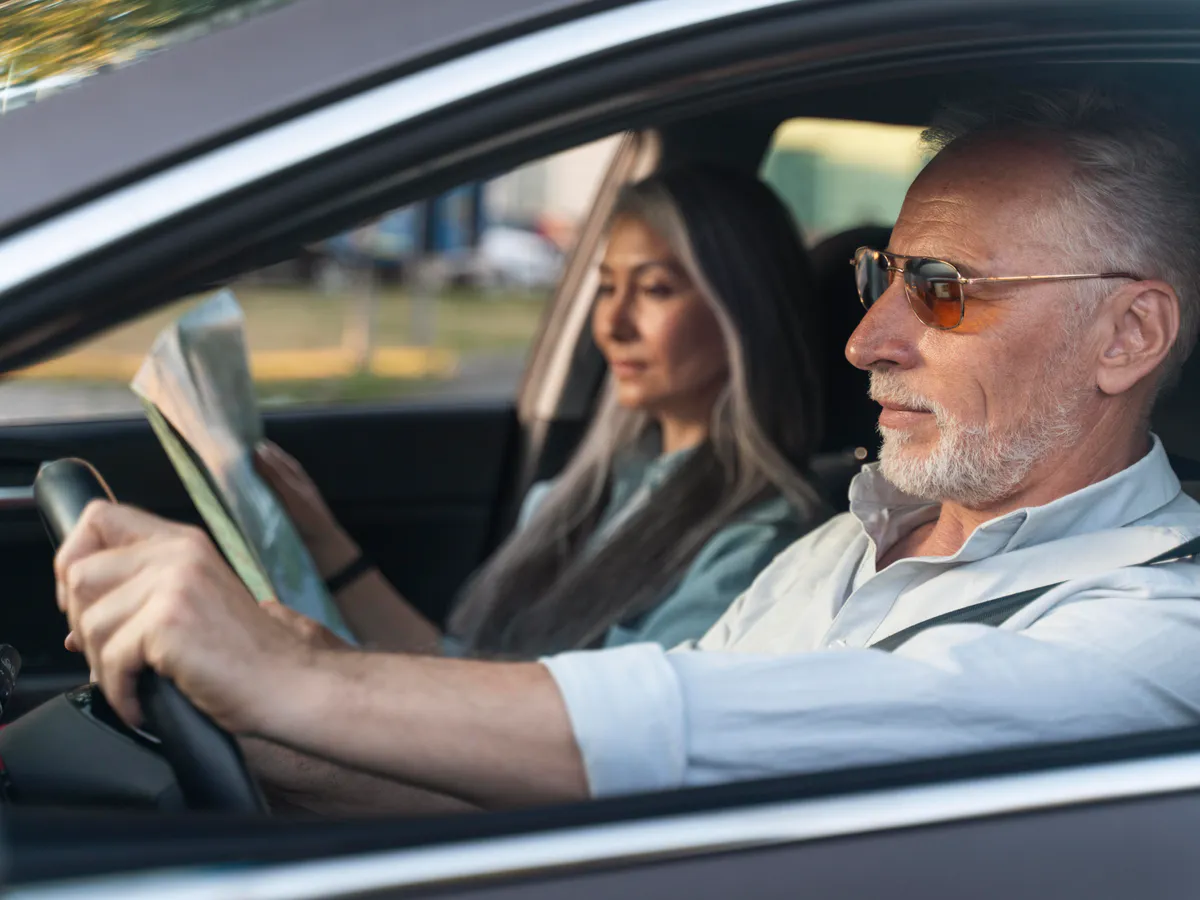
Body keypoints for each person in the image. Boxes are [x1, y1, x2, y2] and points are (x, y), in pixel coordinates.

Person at [55, 86, 1200, 814]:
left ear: (1129, 335)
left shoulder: (1157, 633)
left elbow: (690, 735)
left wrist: (300, 680)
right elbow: (583, 793)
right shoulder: (836, 550)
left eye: (942, 289)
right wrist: (264, 714)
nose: (865, 337)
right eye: (880, 277)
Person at [255, 165, 828, 658]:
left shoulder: (758, 543)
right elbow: (469, 677)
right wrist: (322, 541)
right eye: (606, 288)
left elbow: (612, 737)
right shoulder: (582, 494)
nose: (613, 324)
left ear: (744, 312)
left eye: (654, 290)